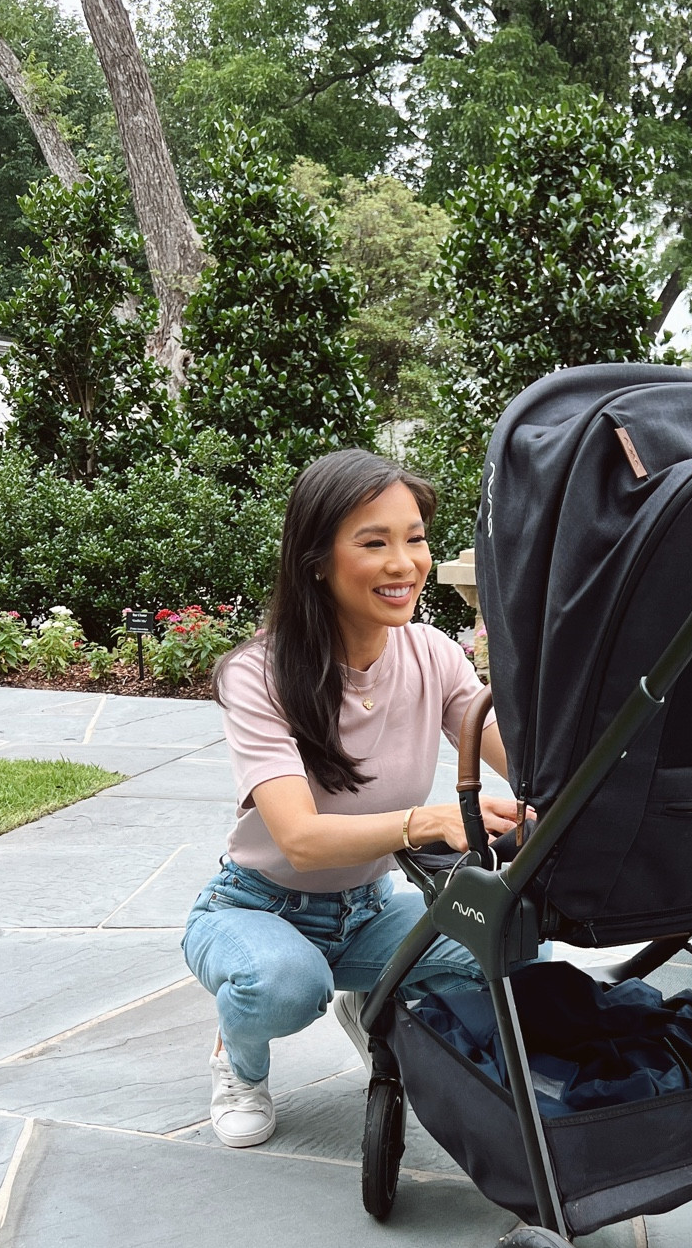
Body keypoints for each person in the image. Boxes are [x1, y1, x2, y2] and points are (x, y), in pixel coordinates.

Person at [183, 449, 524, 1148]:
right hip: (255, 905)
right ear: (317, 559)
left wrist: (547, 796)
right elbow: (300, 839)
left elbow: (515, 758)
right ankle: (238, 1062)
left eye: (415, 538)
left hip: (366, 911)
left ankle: (371, 1002)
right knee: (282, 984)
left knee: (512, 944)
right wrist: (429, 820)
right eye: (374, 542)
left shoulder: (434, 655)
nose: (405, 563)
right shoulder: (258, 675)